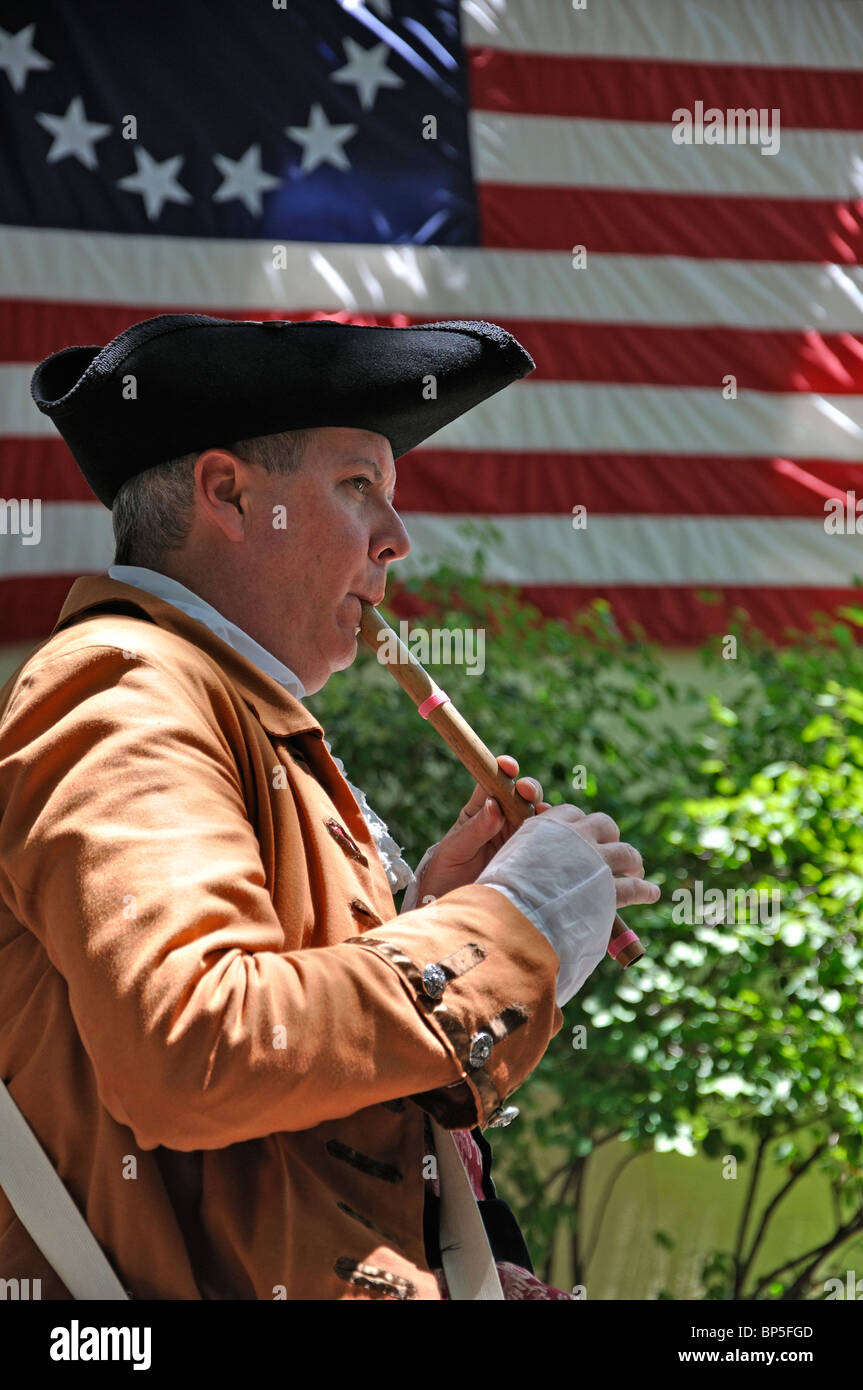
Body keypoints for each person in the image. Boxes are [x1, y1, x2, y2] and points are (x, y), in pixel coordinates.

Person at [0, 314, 659, 1300]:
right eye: (359, 486)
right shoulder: (126, 689)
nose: (395, 538)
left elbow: (295, 1139)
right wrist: (504, 931)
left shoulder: (212, 700)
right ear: (227, 492)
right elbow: (195, 1048)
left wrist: (432, 915)